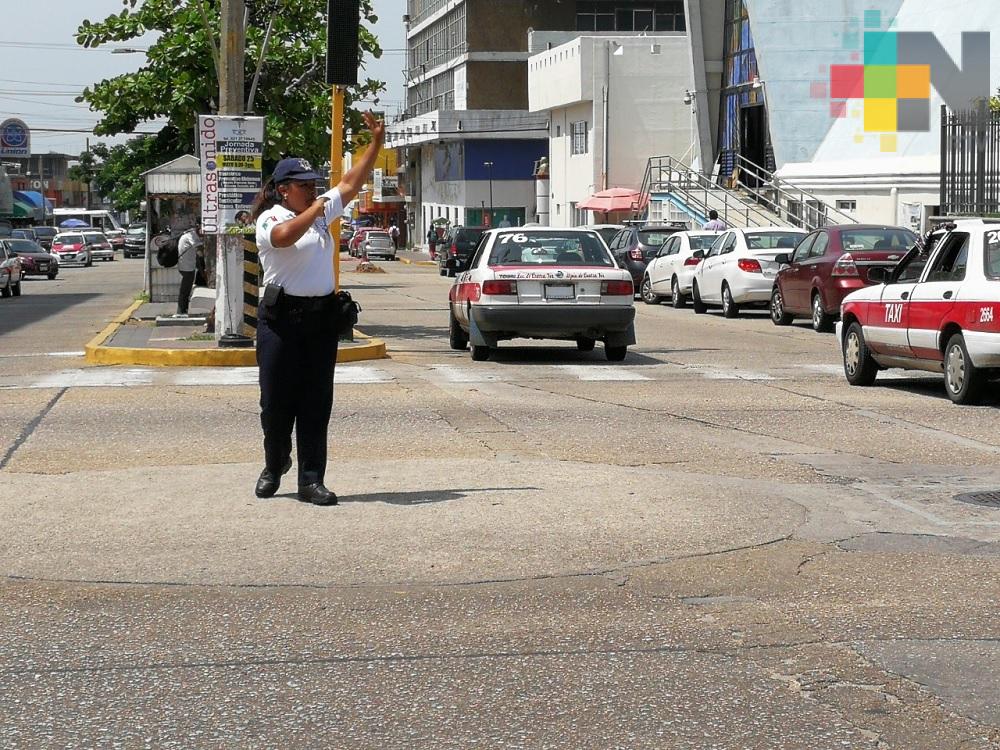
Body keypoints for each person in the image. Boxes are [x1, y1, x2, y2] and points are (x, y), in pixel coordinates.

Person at [250, 111, 385, 505]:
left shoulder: (320, 210)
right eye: (304, 185)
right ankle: (275, 463)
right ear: (283, 189)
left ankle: (311, 479)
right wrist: (319, 208)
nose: (312, 190)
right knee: (275, 403)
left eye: (314, 184)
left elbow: (350, 181)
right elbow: (283, 238)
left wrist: (374, 143)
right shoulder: (270, 217)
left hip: (320, 321)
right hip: (281, 322)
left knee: (316, 403)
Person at [175, 220, 202, 316]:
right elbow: (200, 251)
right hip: (187, 267)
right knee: (185, 289)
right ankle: (181, 311)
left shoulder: (190, 234)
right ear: (198, 227)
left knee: (186, 289)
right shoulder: (192, 235)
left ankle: (183, 310)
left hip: (187, 265)